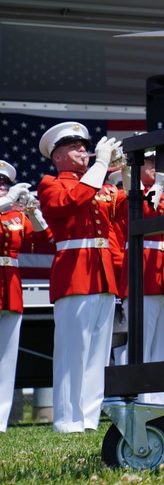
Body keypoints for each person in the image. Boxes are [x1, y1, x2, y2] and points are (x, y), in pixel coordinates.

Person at [36, 122, 125, 432]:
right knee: (73, 351)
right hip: (75, 272)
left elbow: (126, 215)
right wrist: (100, 164)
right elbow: (72, 200)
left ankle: (88, 418)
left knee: (99, 355)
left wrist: (126, 173)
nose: (83, 151)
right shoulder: (51, 184)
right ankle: (66, 419)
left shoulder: (99, 186)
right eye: (74, 147)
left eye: (84, 146)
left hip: (101, 274)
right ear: (57, 156)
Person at [118, 151, 164, 405]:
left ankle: (159, 403)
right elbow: (144, 213)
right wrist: (158, 185)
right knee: (141, 345)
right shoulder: (132, 193)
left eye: (157, 163)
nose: (154, 167)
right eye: (148, 162)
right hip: (143, 276)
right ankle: (135, 400)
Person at [0, 160, 50, 431]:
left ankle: (0, 421)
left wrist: (32, 211)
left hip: (11, 289)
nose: (3, 188)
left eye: (5, 184)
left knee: (6, 360)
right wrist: (8, 200)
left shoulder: (13, 215)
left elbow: (44, 239)